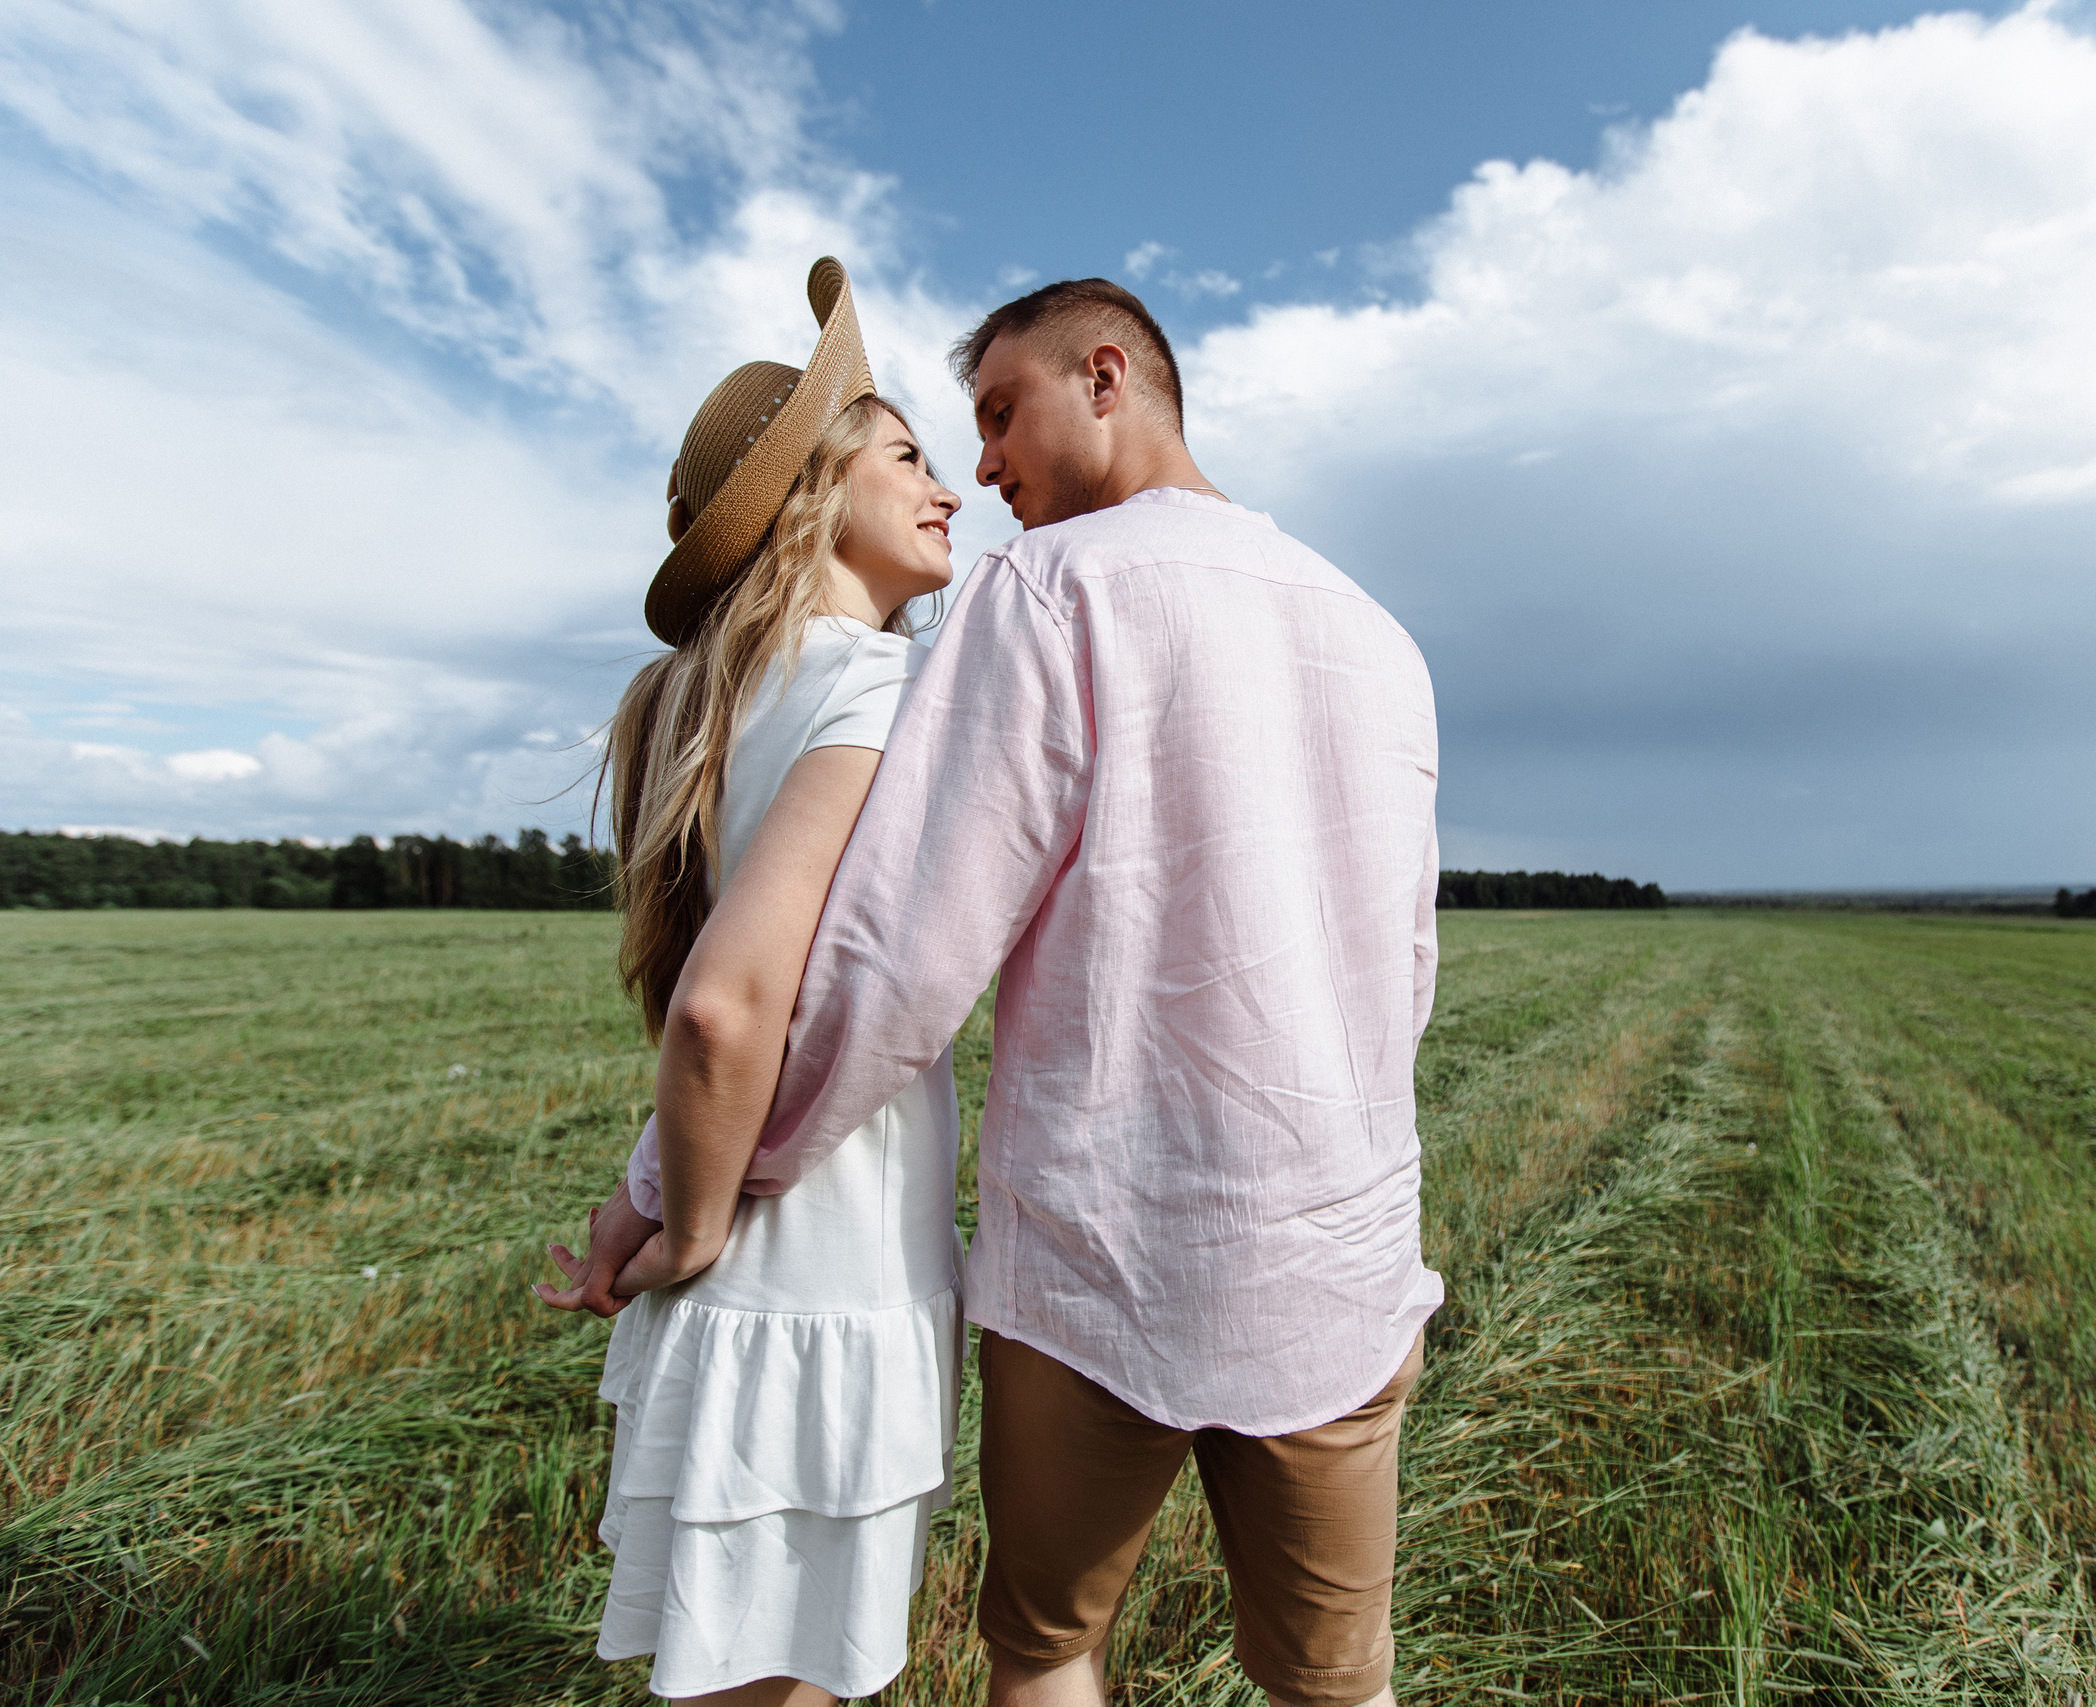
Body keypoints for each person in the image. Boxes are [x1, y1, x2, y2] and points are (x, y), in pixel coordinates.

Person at [571, 275, 1441, 1707]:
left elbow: (898, 967)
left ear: (1105, 376)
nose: (980, 467)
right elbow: (1404, 973)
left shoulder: (1045, 595)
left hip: (1100, 1268)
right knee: (1338, 1680)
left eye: (995, 415)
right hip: (1334, 1266)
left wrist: (679, 1180)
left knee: (1047, 1647)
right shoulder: (1379, 636)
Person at [535, 258, 968, 1707]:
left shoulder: (725, 700)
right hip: (816, 1286)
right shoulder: (873, 685)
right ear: (812, 496)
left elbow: (712, 1011)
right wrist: (700, 1223)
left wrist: (652, 1193)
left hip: (743, 1304)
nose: (949, 487)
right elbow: (728, 1007)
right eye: (908, 454)